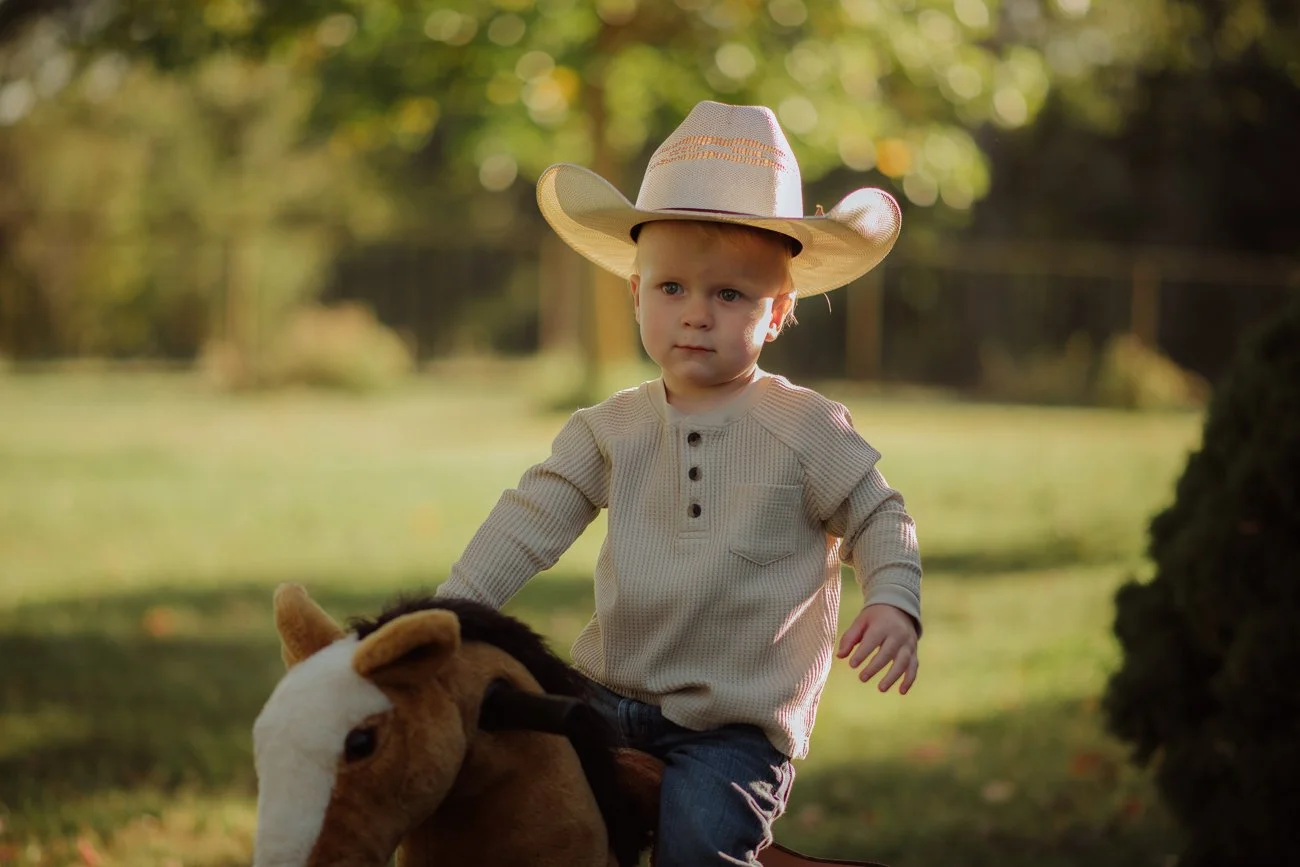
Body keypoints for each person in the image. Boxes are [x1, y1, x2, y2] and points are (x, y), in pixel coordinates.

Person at [437, 100, 922, 866]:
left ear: (778, 312)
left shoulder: (805, 428)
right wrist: (447, 615)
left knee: (699, 843)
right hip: (604, 693)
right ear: (635, 293)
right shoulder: (610, 427)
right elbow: (528, 520)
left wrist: (893, 598)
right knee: (515, 803)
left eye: (729, 295)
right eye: (672, 289)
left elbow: (879, 514)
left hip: (730, 727)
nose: (696, 314)